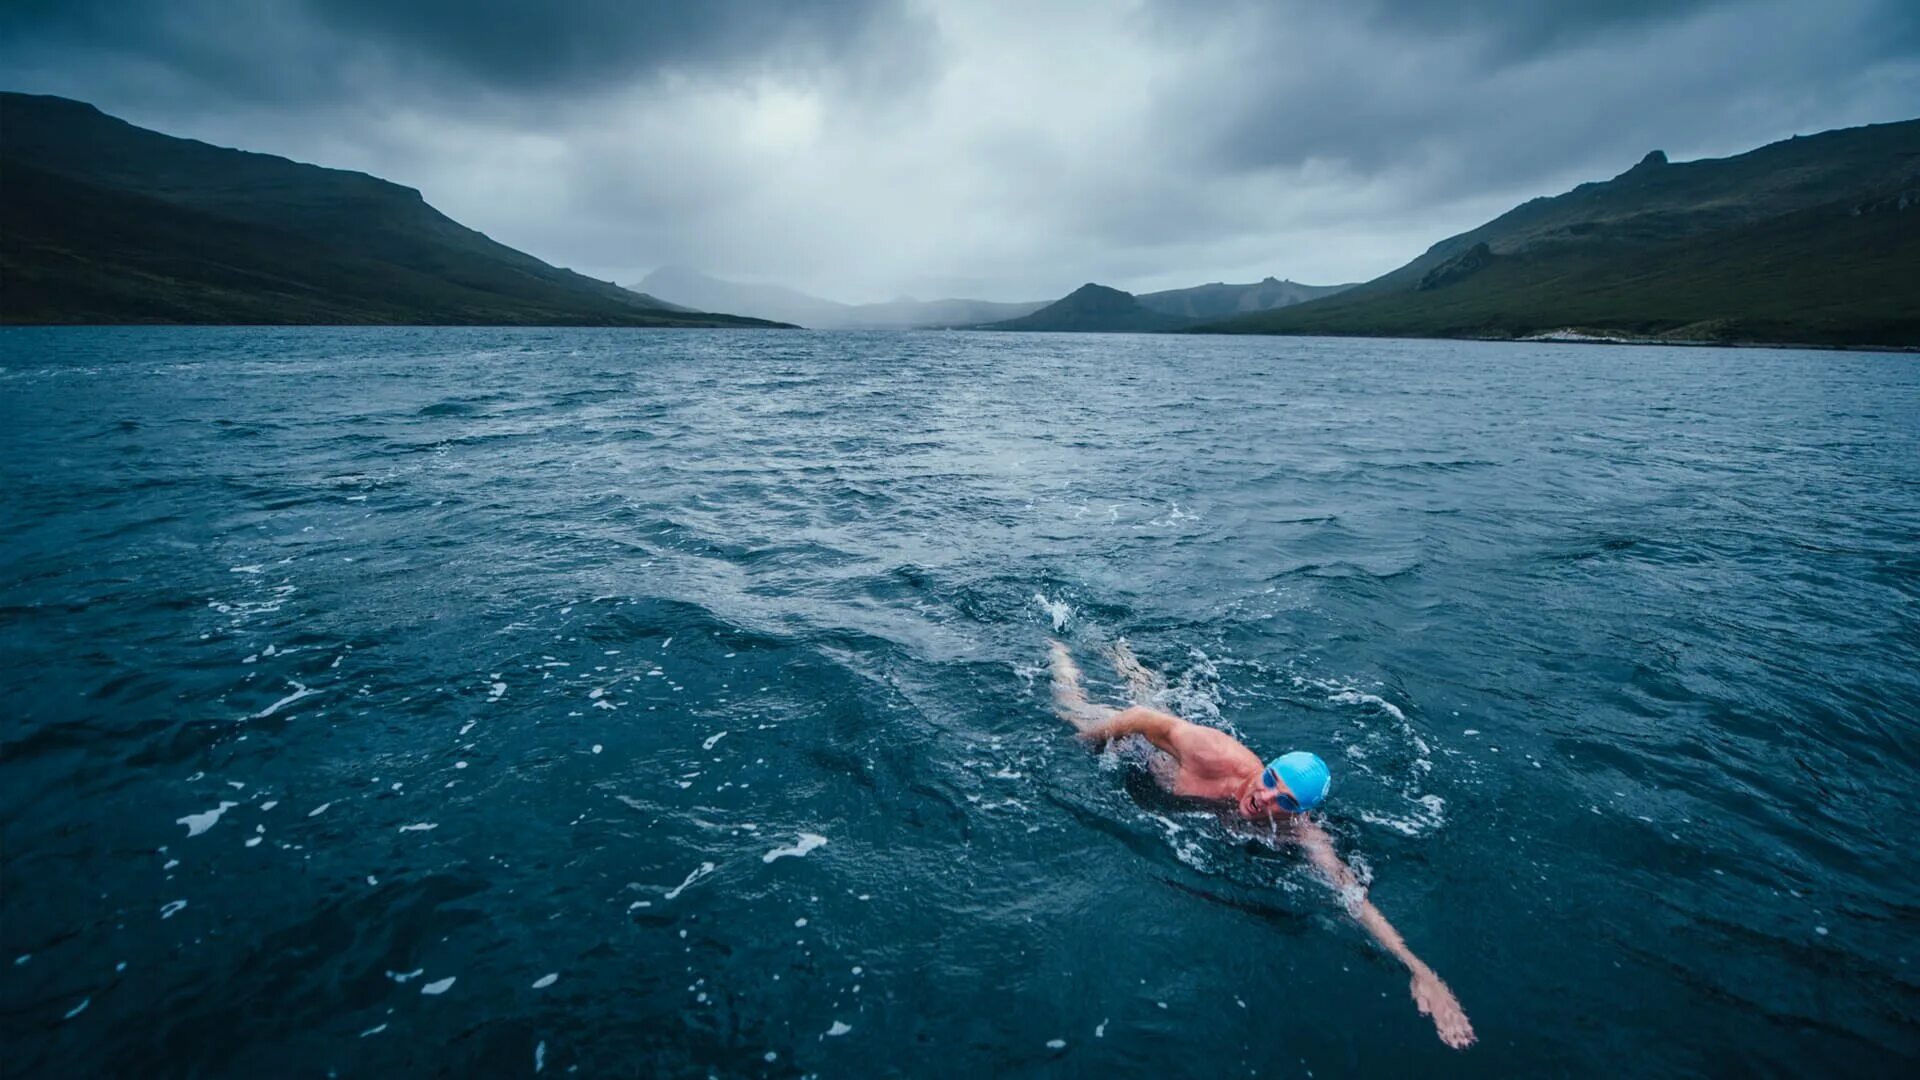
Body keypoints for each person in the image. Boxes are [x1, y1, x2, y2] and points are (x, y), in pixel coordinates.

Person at [1049, 639, 1477, 1050]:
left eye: (1285, 800)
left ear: (1298, 811)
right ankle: (1063, 649)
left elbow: (1352, 895)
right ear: (1267, 767)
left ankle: (1122, 659)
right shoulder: (1216, 754)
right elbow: (1142, 718)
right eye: (1270, 780)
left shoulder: (1299, 831)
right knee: (1080, 711)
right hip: (1144, 751)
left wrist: (1419, 970)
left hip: (1169, 771)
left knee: (1154, 699)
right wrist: (1089, 742)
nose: (1265, 798)